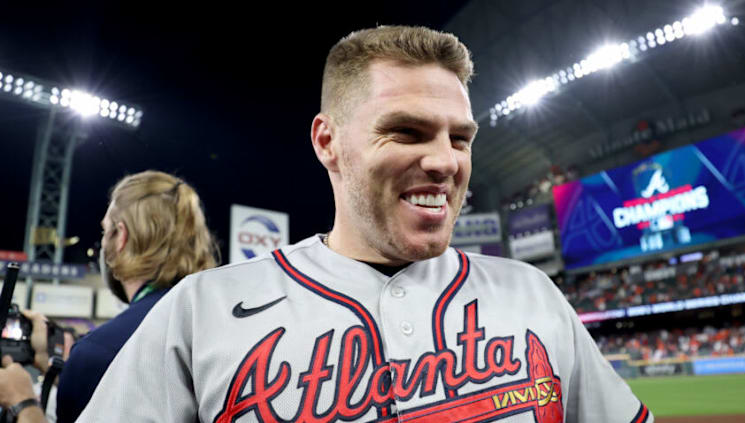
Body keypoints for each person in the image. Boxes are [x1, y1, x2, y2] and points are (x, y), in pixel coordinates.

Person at [77, 26, 652, 422]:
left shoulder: (533, 294)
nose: (446, 161)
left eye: (461, 138)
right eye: (407, 132)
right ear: (327, 142)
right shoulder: (201, 310)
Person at [0, 170, 219, 423]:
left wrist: (23, 403)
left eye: (105, 231)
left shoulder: (98, 351)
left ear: (121, 236)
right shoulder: (223, 322)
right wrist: (61, 370)